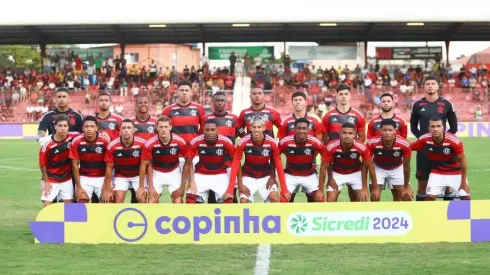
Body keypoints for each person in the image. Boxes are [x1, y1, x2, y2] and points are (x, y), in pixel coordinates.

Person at [410, 75, 458, 201]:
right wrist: (424, 140)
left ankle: (448, 215)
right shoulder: (417, 105)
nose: (430, 85)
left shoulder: (447, 104)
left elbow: (453, 127)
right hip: (424, 150)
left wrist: (443, 141)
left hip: (443, 149)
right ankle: (420, 214)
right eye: (427, 84)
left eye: (433, 83)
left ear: (437, 86)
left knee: (447, 183)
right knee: (422, 182)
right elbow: (414, 127)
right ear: (424, 87)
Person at [224, 116, 290, 203]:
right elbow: (236, 163)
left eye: (259, 127)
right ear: (250, 128)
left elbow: (279, 165)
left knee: (274, 198)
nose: (256, 130)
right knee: (244, 201)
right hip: (248, 176)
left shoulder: (272, 142)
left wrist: (283, 188)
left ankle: (271, 216)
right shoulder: (243, 142)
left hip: (266, 176)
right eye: (254, 127)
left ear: (264, 128)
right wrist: (237, 186)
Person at [322, 83, 365, 202]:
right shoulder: (328, 116)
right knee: (331, 200)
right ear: (336, 96)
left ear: (350, 95)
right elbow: (325, 138)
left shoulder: (358, 116)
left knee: (357, 199)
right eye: (340, 94)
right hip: (335, 165)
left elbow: (362, 137)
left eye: (346, 94)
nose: (343, 97)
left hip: (353, 162)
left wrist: (350, 148)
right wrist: (335, 150)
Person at [411, 117, 469, 201]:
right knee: (429, 198)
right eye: (433, 126)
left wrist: (463, 182)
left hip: (455, 171)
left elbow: (463, 161)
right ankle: (430, 214)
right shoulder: (424, 139)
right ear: (429, 128)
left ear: (443, 127)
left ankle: (458, 214)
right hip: (437, 172)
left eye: (438, 126)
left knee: (465, 197)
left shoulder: (454, 141)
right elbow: (409, 147)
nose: (435, 129)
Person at [201, 92, 243, 202]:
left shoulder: (234, 118)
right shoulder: (205, 119)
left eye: (222, 100)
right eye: (217, 100)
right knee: (212, 196)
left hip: (229, 163)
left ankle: (235, 218)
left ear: (226, 102)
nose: (220, 103)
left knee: (231, 195)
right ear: (213, 102)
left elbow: (242, 133)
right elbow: (201, 137)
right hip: (211, 164)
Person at [319, 123, 377, 202]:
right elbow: (323, 167)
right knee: (330, 200)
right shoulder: (331, 146)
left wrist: (368, 187)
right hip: (337, 173)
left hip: (355, 173)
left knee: (362, 199)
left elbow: (370, 167)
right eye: (344, 133)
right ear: (340, 134)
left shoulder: (361, 147)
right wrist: (322, 188)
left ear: (355, 135)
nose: (347, 136)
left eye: (350, 133)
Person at [139, 116, 188, 203]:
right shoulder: (149, 144)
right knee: (151, 201)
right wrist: (149, 186)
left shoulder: (180, 142)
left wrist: (182, 186)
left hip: (174, 172)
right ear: (157, 128)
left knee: (178, 201)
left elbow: (188, 162)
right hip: (156, 173)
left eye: (166, 127)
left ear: (170, 127)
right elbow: (144, 165)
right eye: (161, 127)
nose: (163, 129)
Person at [184, 119, 235, 204]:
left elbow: (236, 160)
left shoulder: (225, 141)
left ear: (217, 130)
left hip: (220, 174)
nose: (210, 132)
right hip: (201, 174)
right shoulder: (196, 141)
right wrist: (191, 181)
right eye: (207, 130)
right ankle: (198, 217)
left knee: (228, 201)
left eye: (212, 130)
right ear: (203, 130)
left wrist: (232, 183)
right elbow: (189, 161)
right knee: (190, 200)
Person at [279, 118, 325, 202]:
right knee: (283, 200)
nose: (301, 131)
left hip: (309, 175)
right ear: (295, 129)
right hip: (290, 175)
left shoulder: (315, 142)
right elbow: (275, 157)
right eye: (299, 128)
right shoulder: (285, 142)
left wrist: (321, 189)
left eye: (304, 128)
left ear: (308, 129)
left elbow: (326, 158)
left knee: (320, 199)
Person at [101, 119, 147, 203]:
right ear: (120, 130)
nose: (126, 130)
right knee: (118, 200)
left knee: (142, 199)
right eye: (124, 128)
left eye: (129, 128)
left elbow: (144, 165)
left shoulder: (142, 144)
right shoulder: (112, 145)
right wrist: (108, 188)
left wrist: (141, 186)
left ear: (134, 129)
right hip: (120, 176)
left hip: (137, 176)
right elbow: (109, 168)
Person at [367, 119, 412, 201]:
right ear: (380, 131)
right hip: (378, 167)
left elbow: (406, 166)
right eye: (384, 130)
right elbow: (368, 164)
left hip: (397, 168)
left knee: (406, 196)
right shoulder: (372, 143)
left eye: (390, 130)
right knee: (374, 196)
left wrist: (406, 186)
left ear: (395, 131)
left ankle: (397, 213)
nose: (387, 133)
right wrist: (375, 186)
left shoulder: (404, 144)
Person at [39, 114, 79, 207]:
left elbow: (86, 133)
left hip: (66, 179)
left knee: (69, 207)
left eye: (65, 126)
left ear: (68, 127)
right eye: (60, 125)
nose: (63, 128)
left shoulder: (72, 137)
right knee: (47, 206)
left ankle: (67, 222)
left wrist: (103, 135)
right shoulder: (47, 145)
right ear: (55, 126)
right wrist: (46, 181)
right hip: (51, 179)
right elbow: (42, 165)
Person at [69, 116, 108, 203]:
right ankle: (74, 217)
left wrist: (107, 185)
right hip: (84, 178)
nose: (89, 129)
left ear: (96, 128)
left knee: (108, 200)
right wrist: (78, 186)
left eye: (92, 126)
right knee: (80, 202)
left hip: (101, 177)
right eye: (86, 126)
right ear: (82, 128)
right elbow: (75, 166)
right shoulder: (76, 142)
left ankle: (99, 217)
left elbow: (109, 165)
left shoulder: (104, 141)